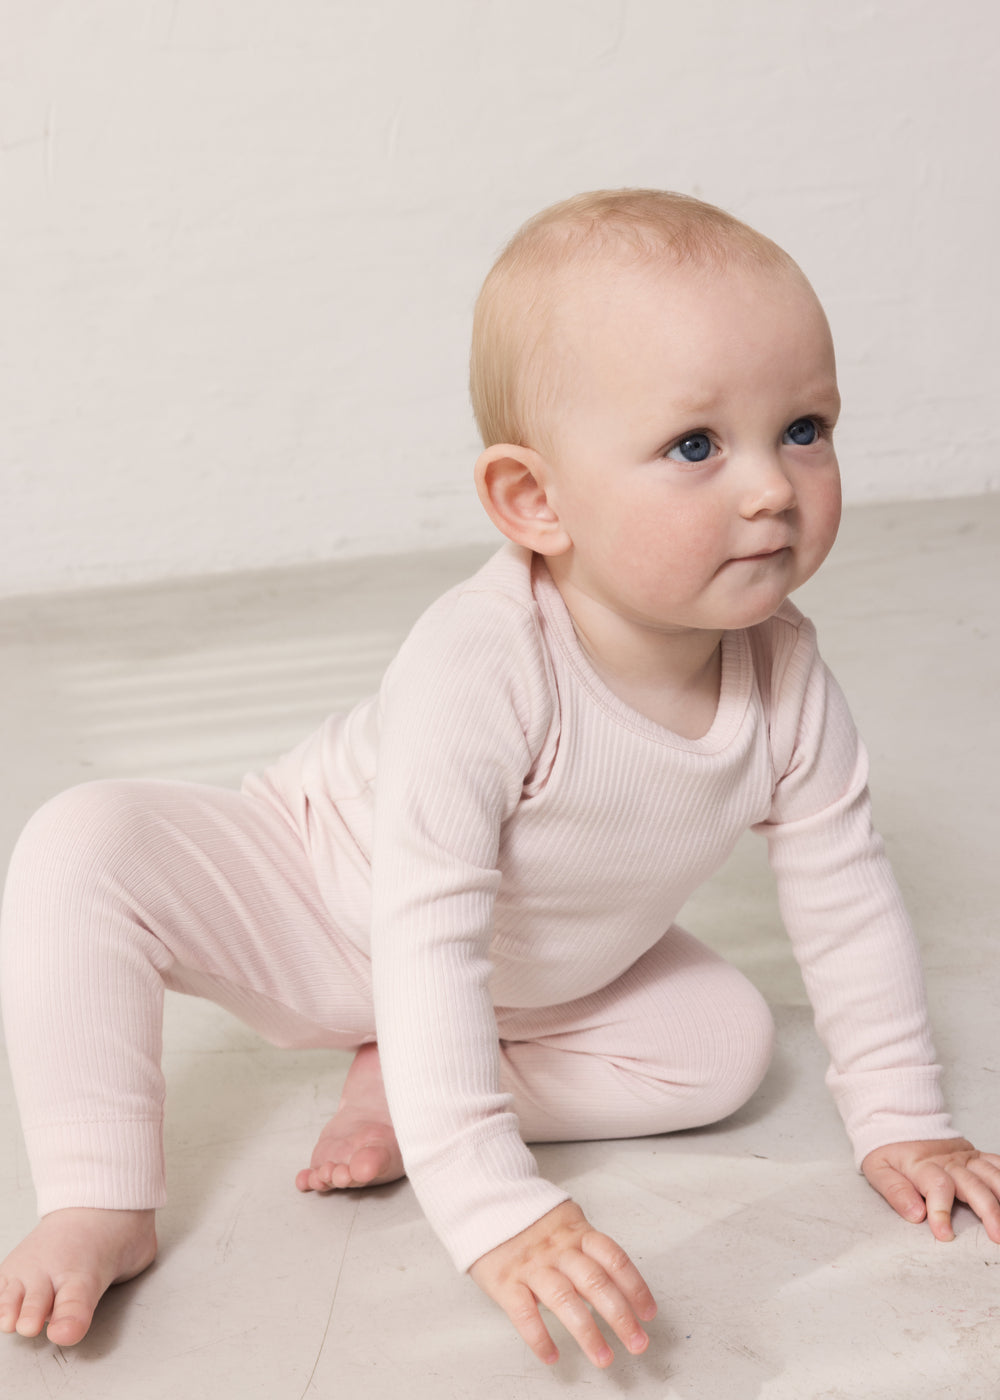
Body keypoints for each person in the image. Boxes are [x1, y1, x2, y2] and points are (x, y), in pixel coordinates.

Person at [1, 189, 998, 1370]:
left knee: (724, 1046)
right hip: (327, 905)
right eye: (695, 445)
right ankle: (100, 1192)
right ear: (536, 501)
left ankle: (412, 1079)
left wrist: (903, 1118)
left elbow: (845, 894)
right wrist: (494, 1205)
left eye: (803, 427)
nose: (771, 488)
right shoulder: (482, 661)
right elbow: (425, 926)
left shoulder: (787, 675)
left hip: (538, 979)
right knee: (84, 842)